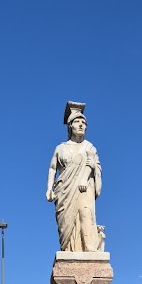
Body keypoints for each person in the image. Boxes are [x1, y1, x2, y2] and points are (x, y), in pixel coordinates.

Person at [46, 102, 103, 252]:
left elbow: (95, 166)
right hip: (65, 190)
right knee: (66, 223)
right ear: (70, 126)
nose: (81, 125)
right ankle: (69, 248)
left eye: (84, 123)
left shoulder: (89, 147)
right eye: (77, 122)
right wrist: (49, 188)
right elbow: (52, 168)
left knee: (86, 212)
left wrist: (87, 175)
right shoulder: (61, 148)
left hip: (85, 187)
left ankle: (90, 247)